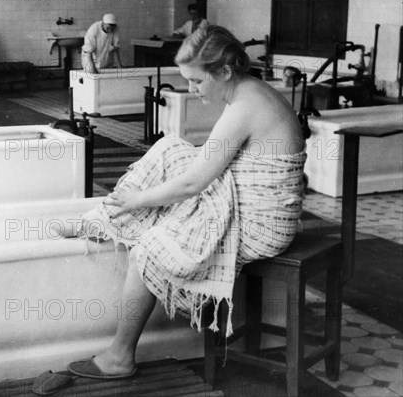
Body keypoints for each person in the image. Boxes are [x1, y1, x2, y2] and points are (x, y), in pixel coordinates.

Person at [65, 24, 307, 379]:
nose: (192, 90)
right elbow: (203, 167)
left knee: (148, 248)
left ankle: (120, 356)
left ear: (224, 71)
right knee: (170, 149)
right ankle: (104, 218)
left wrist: (139, 200)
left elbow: (193, 183)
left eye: (197, 81)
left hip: (262, 226)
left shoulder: (245, 107)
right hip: (249, 203)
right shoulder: (246, 92)